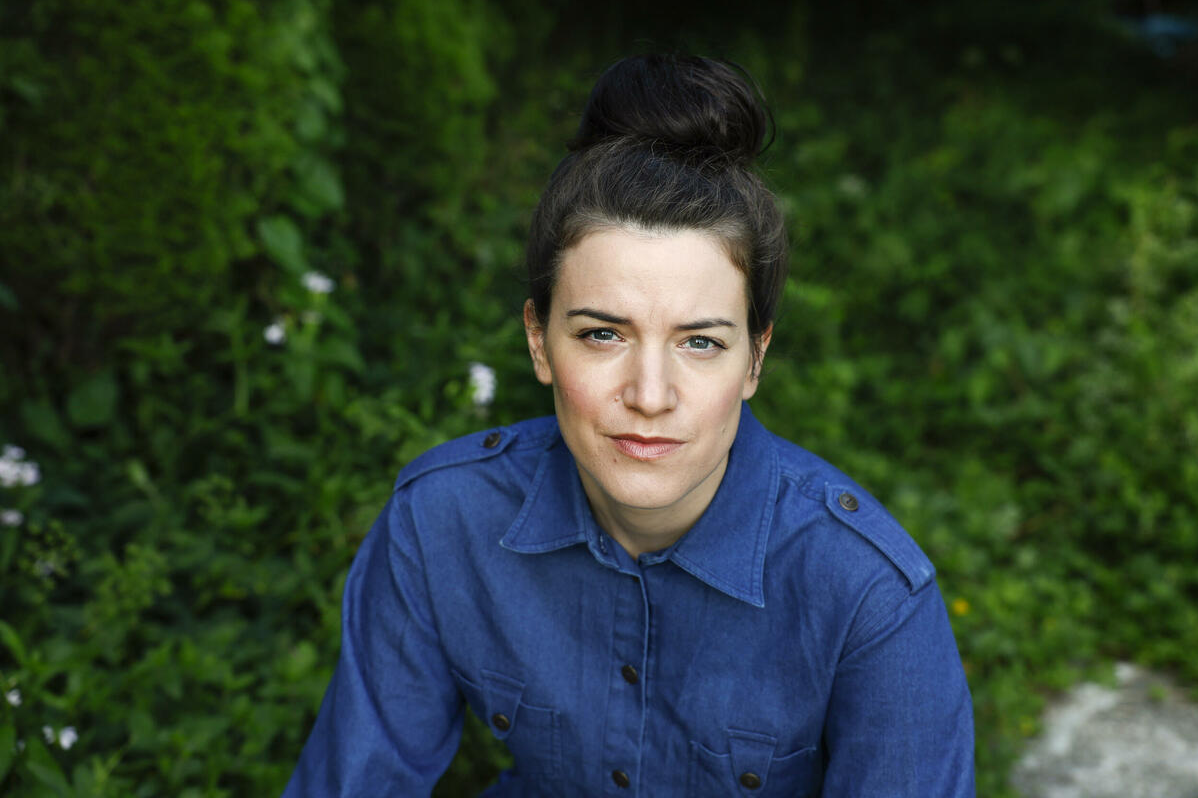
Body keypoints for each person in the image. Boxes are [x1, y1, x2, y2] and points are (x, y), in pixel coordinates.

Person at [283, 53, 974, 797]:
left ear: (754, 359)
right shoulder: (442, 522)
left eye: (699, 342)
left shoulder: (867, 593)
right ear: (538, 342)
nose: (649, 395)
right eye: (602, 335)